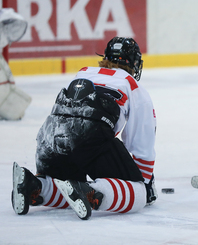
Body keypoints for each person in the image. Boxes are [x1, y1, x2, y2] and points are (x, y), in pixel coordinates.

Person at [12, 37, 157, 220]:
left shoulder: (83, 73)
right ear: (134, 63)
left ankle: (34, 186)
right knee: (138, 195)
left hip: (49, 137)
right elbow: (141, 140)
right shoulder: (131, 85)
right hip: (89, 135)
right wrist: (143, 181)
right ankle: (90, 192)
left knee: (68, 188)